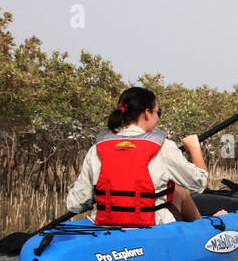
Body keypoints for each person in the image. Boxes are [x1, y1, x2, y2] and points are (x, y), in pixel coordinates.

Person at [67, 87, 219, 225]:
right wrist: (194, 149)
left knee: (176, 189)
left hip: (105, 227)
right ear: (147, 113)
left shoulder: (97, 149)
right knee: (178, 190)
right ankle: (203, 229)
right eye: (158, 112)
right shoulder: (164, 147)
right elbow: (201, 183)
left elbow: (75, 204)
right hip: (151, 229)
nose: (158, 117)